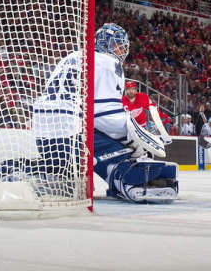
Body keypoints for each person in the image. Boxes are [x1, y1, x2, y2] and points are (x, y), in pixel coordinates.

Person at [29, 23, 178, 203]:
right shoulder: (108, 62)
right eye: (117, 45)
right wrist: (134, 139)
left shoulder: (73, 56)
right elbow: (104, 115)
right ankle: (128, 180)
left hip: (43, 131)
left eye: (123, 46)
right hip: (70, 130)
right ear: (104, 43)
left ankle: (22, 171)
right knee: (124, 152)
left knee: (69, 176)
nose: (121, 50)